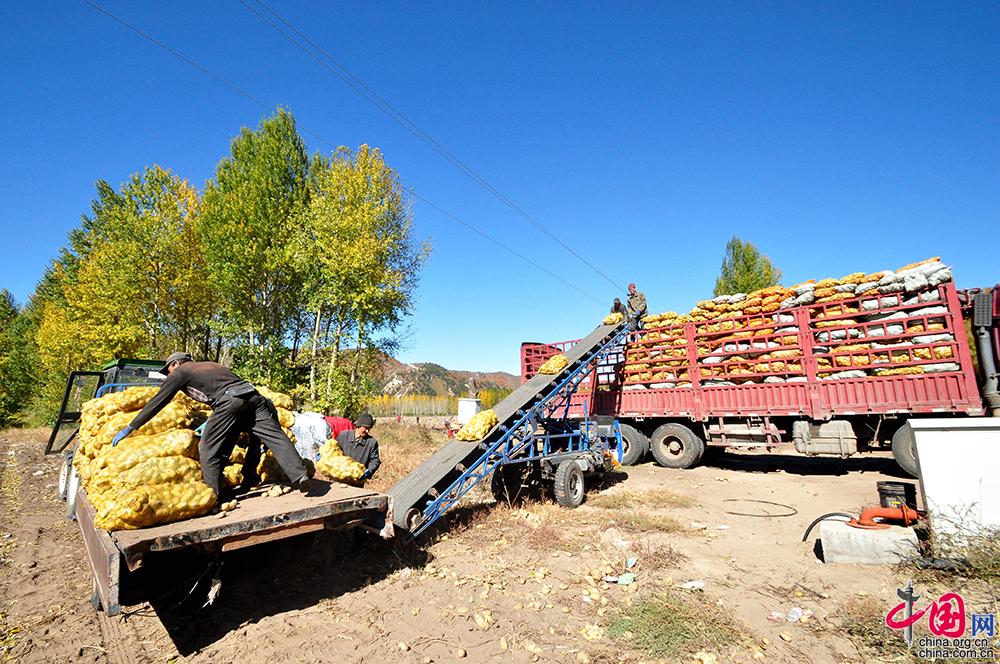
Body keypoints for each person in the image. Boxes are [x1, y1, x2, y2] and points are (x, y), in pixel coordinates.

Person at [111, 352, 311, 498]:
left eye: (169, 368)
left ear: (176, 363)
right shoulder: (211, 365)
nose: (169, 373)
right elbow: (228, 390)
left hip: (231, 401)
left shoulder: (180, 372)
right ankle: (299, 475)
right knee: (275, 437)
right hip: (254, 398)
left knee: (207, 448)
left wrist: (131, 427)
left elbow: (157, 401)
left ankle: (212, 495)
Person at [337, 413, 381, 481]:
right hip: (340, 476)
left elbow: (375, 460)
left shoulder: (371, 442)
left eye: (369, 428)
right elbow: (334, 450)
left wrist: (369, 471)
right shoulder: (344, 436)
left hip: (357, 479)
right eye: (365, 428)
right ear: (359, 426)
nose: (367, 431)